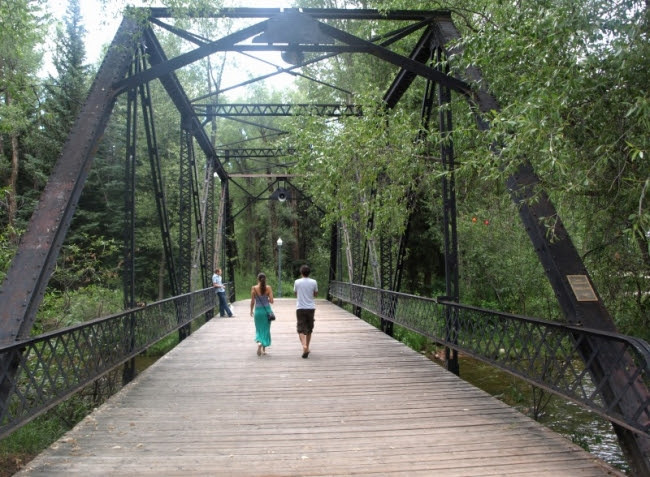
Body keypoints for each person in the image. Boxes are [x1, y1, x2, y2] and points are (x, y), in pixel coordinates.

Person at [293, 264, 318, 358]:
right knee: (309, 328)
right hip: (311, 308)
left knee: (300, 328)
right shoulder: (314, 282)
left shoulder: (297, 282)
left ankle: (304, 346)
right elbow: (315, 294)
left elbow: (296, 294)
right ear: (309, 273)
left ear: (301, 272)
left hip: (300, 308)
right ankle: (307, 346)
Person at [250, 272, 274, 356]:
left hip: (258, 311)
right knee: (266, 329)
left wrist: (251, 311)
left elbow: (253, 301)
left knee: (259, 329)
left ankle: (259, 342)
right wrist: (267, 297)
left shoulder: (254, 288)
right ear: (265, 279)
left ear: (258, 279)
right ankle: (264, 350)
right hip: (267, 311)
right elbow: (271, 301)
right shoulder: (269, 288)